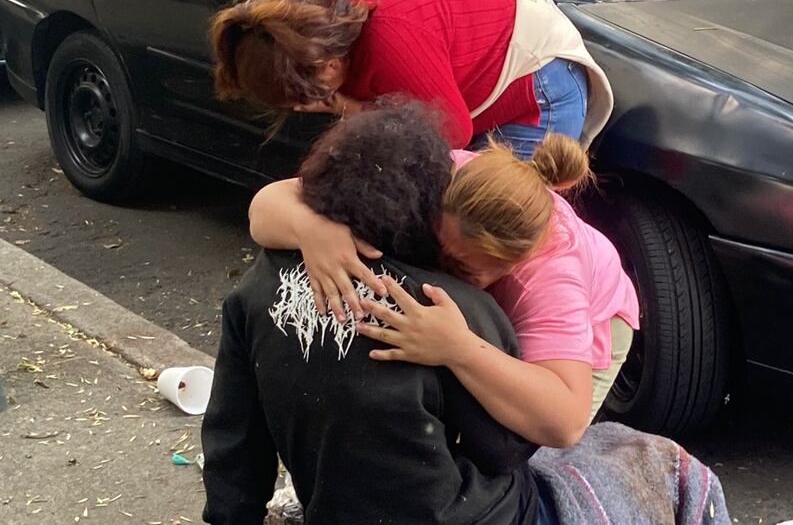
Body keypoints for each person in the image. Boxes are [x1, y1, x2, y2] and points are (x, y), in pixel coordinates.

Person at [201, 102, 541, 524]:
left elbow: (235, 443)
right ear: (429, 207)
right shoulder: (449, 306)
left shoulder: (256, 289)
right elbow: (503, 449)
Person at [248, 132, 640, 446]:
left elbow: (562, 423)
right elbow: (266, 205)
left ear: (509, 265)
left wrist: (459, 349)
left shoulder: (549, 279)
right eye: (436, 244)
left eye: (460, 267)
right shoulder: (435, 174)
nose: (438, 266)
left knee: (522, 453)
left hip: (597, 314)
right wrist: (311, 228)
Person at [208, 0, 614, 157]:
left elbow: (450, 132)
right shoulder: (284, 10)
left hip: (536, 77)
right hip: (459, 70)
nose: (309, 108)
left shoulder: (391, 39)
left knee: (497, 232)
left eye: (312, 96)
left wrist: (345, 106)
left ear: (329, 62)